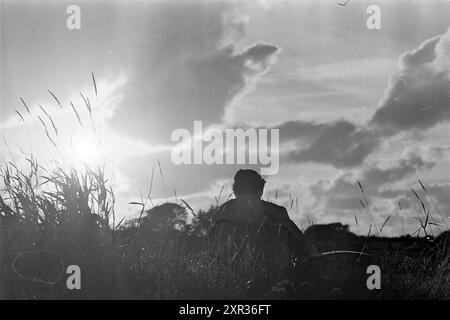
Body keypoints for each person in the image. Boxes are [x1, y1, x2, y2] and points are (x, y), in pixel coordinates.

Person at [209, 169, 318, 264]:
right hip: (278, 279)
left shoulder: (222, 212)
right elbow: (306, 250)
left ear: (235, 191)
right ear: (261, 188)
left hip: (232, 282)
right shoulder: (277, 212)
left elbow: (209, 249)